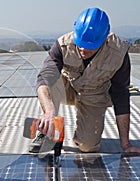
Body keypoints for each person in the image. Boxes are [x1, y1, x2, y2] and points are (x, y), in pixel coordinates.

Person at [31, 7, 140, 153]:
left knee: (87, 146)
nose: (83, 50)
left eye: (90, 47)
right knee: (50, 81)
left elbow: (120, 96)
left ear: (104, 37)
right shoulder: (62, 45)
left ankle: (86, 134)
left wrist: (126, 144)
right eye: (80, 44)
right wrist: (49, 112)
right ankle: (48, 132)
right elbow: (44, 78)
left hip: (94, 95)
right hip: (68, 88)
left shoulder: (118, 54)